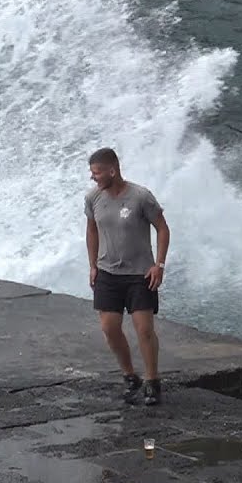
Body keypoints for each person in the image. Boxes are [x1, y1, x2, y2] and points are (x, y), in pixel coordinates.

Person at [85, 147, 170, 405]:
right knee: (109, 328)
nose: (93, 177)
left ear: (112, 171)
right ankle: (130, 376)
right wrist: (92, 265)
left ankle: (152, 381)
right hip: (107, 273)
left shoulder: (141, 197)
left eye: (97, 172)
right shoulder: (93, 198)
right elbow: (91, 231)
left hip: (140, 274)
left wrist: (159, 265)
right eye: (92, 173)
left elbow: (162, 228)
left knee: (144, 330)